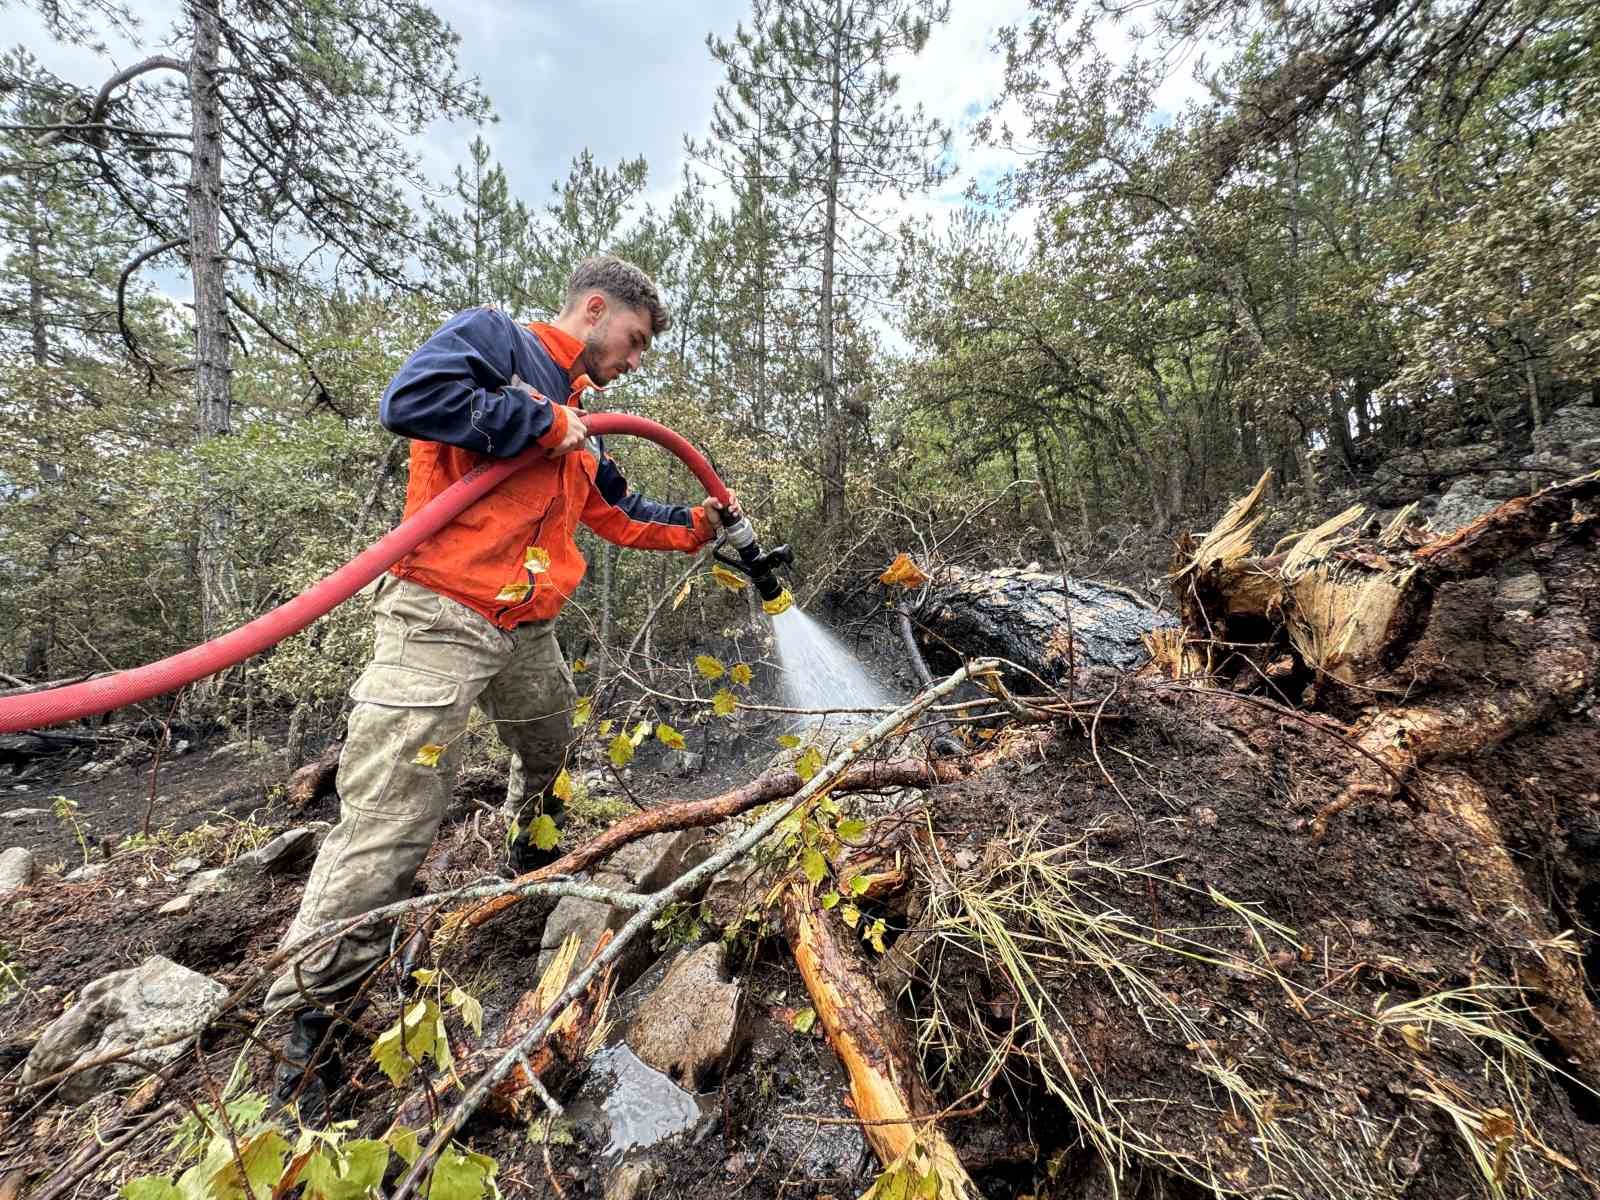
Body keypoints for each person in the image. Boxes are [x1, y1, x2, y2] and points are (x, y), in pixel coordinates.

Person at [266, 255, 737, 1121]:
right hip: (439, 617)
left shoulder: (582, 428)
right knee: (392, 821)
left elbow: (623, 513)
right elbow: (409, 402)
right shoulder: (494, 343)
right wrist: (532, 418)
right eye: (631, 341)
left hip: (526, 627)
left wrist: (703, 524)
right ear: (593, 310)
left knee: (550, 746)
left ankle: (532, 858)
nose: (634, 361)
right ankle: (308, 1032)